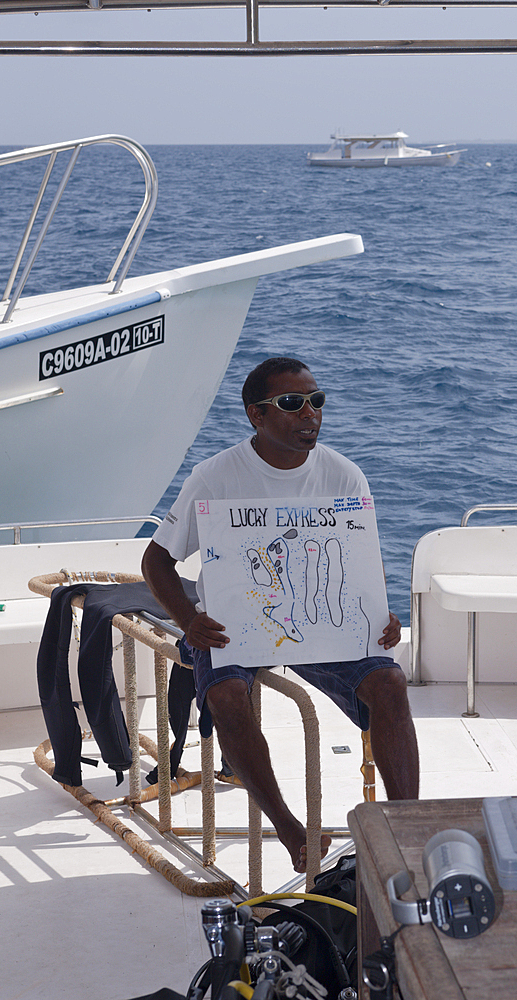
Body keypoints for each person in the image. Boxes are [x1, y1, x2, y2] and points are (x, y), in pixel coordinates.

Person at [142, 357, 419, 872]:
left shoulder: (342, 473)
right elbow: (156, 559)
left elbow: (361, 555)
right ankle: (289, 828)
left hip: (323, 622)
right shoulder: (215, 476)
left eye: (316, 401)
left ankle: (406, 823)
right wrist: (188, 620)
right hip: (236, 625)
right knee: (225, 695)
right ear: (257, 415)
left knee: (390, 683)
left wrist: (382, 612)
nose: (309, 413)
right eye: (292, 404)